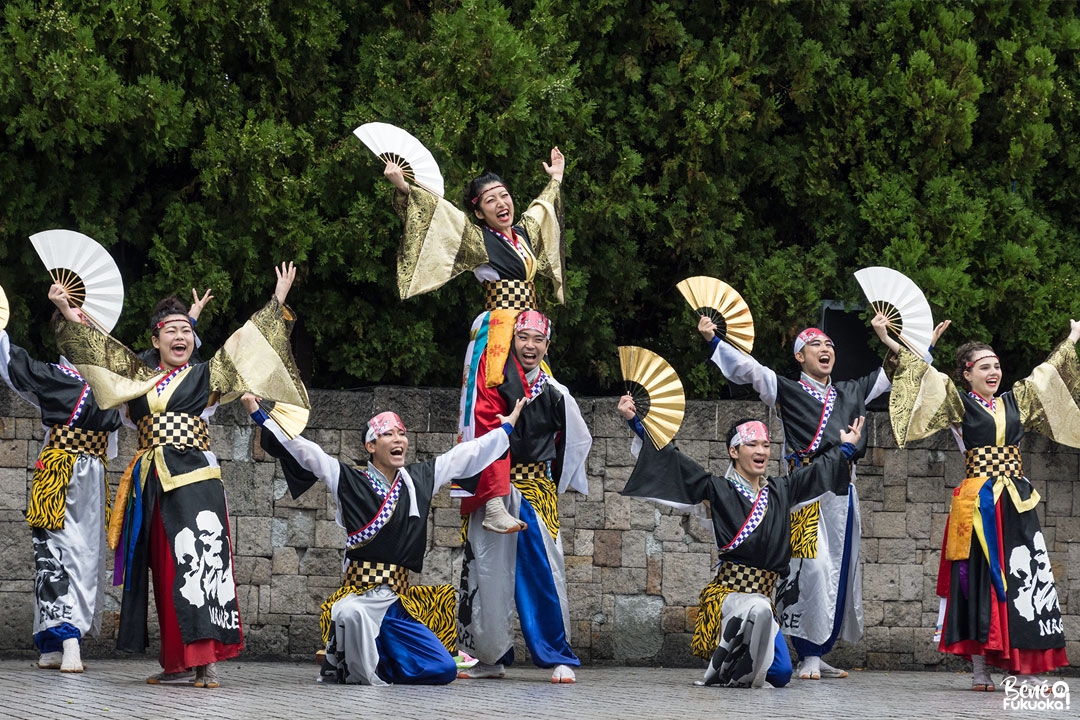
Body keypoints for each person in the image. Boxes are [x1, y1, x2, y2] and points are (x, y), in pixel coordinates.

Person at [49, 263, 309, 689]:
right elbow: (101, 352)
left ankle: (206, 662)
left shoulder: (205, 376)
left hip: (195, 479)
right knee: (164, 568)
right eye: (170, 331)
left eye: (186, 331)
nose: (180, 337)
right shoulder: (136, 380)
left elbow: (247, 346)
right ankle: (176, 661)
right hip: (150, 480)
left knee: (200, 563)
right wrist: (67, 308)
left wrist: (277, 301)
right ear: (154, 341)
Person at [697, 314, 948, 679]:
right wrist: (714, 341)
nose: (825, 349)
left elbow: (898, 371)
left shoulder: (851, 391)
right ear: (800, 356)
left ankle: (820, 651)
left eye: (829, 345)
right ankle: (806, 651)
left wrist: (922, 345)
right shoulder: (786, 389)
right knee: (809, 570)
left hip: (844, 491)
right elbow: (750, 369)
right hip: (806, 491)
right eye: (815, 344)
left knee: (840, 570)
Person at [243, 394, 525, 685]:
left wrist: (506, 428)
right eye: (388, 434)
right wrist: (258, 414)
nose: (398, 439)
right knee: (349, 613)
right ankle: (354, 661)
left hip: (399, 604)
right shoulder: (349, 480)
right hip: (361, 597)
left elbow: (465, 455)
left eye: (401, 433)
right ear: (371, 446)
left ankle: (379, 663)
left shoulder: (419, 479)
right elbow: (306, 451)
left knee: (444, 669)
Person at [875, 315, 1079, 690]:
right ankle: (981, 670)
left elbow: (1047, 374)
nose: (994, 371)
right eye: (985, 366)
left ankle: (1024, 670)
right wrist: (890, 340)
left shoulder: (1016, 401)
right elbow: (922, 375)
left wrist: (1073, 339)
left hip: (1015, 502)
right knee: (978, 583)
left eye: (997, 365)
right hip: (977, 504)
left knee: (1022, 583)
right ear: (967, 374)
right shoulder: (958, 406)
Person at [618, 396, 865, 688]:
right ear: (733, 451)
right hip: (731, 598)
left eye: (765, 444)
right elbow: (673, 461)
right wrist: (636, 422)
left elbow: (816, 474)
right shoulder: (717, 490)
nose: (761, 450)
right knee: (758, 611)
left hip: (762, 597)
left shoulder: (779, 491)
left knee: (780, 674)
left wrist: (845, 448)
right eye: (752, 444)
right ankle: (724, 655)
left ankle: (738, 657)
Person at [385, 149, 568, 532]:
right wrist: (404, 189)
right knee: (491, 412)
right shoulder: (476, 239)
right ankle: (495, 499)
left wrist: (555, 179)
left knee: (546, 404)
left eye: (504, 194)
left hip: (529, 332)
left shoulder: (523, 236)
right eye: (490, 200)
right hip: (500, 333)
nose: (502, 203)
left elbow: (541, 210)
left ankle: (538, 478)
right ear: (479, 212)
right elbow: (436, 219)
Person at [456, 310, 590, 684]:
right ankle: (488, 656)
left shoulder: (556, 393)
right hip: (491, 486)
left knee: (543, 573)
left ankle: (557, 655)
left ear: (548, 346)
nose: (530, 346)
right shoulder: (492, 382)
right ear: (511, 341)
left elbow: (576, 443)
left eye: (537, 339)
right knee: (486, 570)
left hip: (533, 488)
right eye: (523, 338)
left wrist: (556, 483)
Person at [0, 299, 123, 673]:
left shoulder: (111, 380)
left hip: (92, 479)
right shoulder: (52, 375)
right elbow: (9, 360)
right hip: (58, 474)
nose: (84, 329)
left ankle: (59, 641)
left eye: (90, 324)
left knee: (86, 559)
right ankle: (64, 639)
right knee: (51, 556)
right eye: (75, 324)